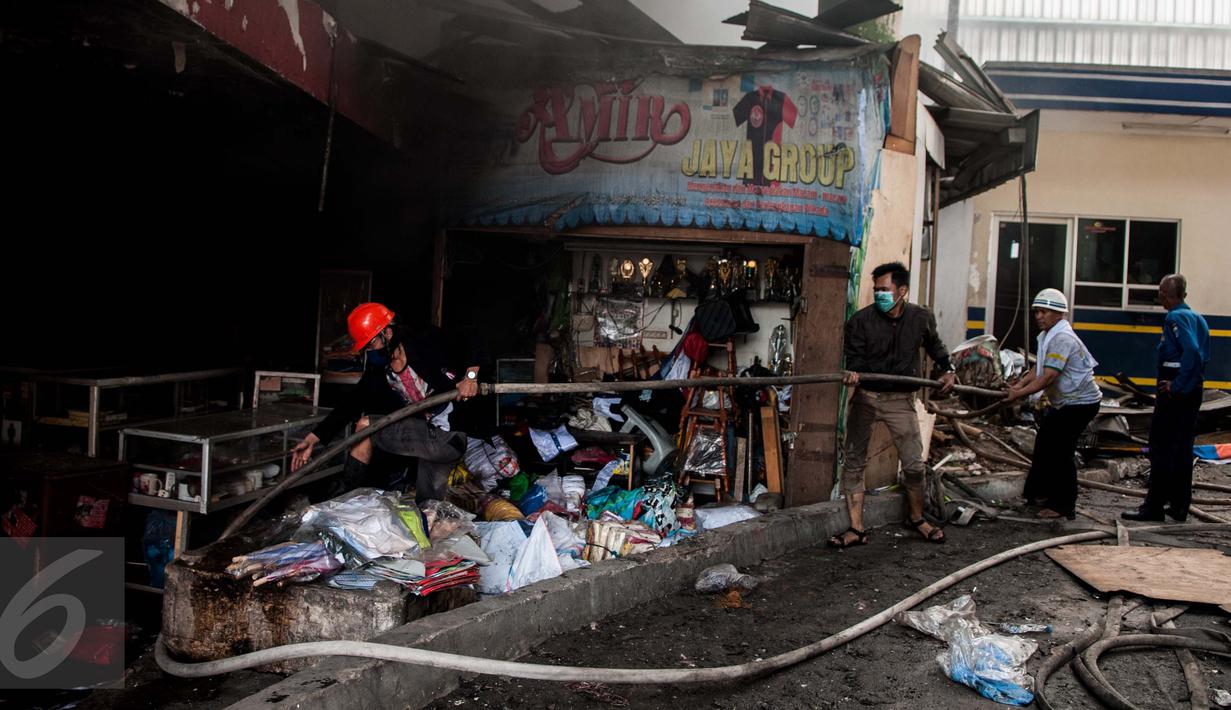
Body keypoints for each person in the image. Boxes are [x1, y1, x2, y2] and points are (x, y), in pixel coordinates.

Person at [290, 303, 480, 503]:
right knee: (428, 507)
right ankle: (349, 504)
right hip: (423, 434)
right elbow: (352, 403)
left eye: (370, 345)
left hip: (451, 436)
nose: (369, 352)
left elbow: (473, 338)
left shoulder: (425, 341)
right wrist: (312, 439)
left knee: (366, 425)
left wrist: (471, 377)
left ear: (387, 333)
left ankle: (347, 498)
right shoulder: (381, 371)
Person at [832, 262, 957, 548]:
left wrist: (947, 369)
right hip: (867, 398)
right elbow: (855, 358)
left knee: (914, 464)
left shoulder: (920, 317)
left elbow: (935, 346)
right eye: (876, 290)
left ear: (902, 291)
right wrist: (854, 373)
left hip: (900, 400)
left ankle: (916, 518)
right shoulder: (860, 322)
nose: (879, 295)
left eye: (885, 290)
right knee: (853, 462)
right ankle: (857, 529)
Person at [1004, 288, 1102, 519]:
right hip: (1067, 403)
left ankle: (1063, 505)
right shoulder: (1047, 335)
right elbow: (1037, 369)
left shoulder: (1062, 338)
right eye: (1037, 311)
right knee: (1046, 442)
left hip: (1080, 403)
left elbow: (1048, 376)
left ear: (1059, 314)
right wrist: (1018, 385)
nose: (1039, 316)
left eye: (1044, 311)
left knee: (1061, 450)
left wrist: (1018, 395)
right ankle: (1039, 494)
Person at [1123, 274, 1210, 522]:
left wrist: (1177, 385)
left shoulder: (1175, 317)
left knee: (1161, 446)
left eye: (1161, 292)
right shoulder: (1198, 319)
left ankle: (1154, 507)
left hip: (1175, 388)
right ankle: (1179, 505)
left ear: (1164, 294)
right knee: (1183, 448)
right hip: (1192, 390)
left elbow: (1191, 351)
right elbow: (1201, 357)